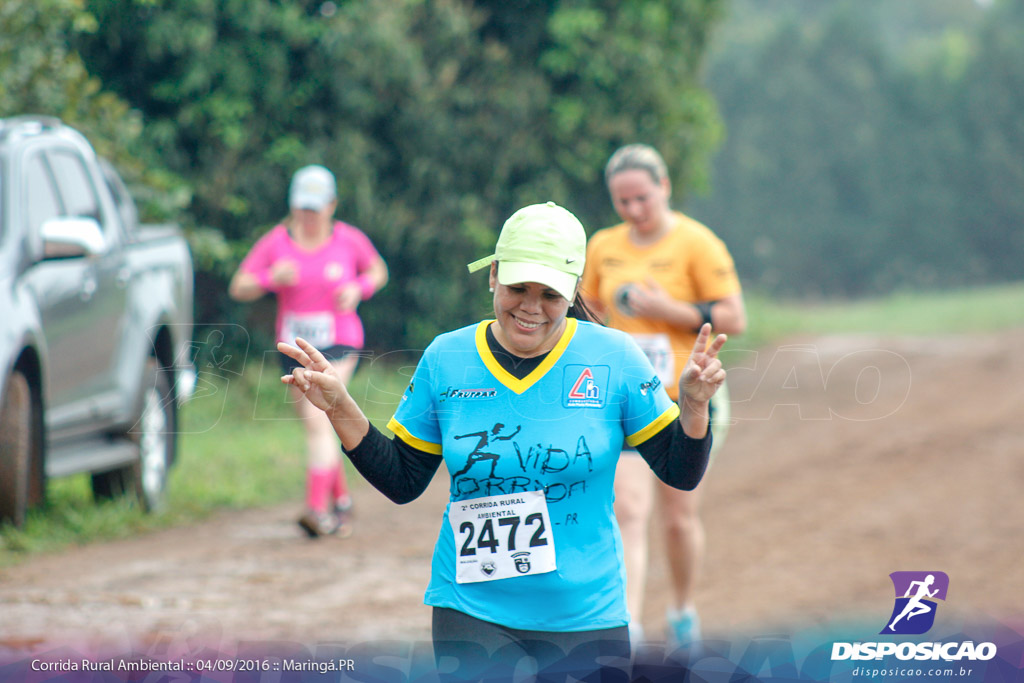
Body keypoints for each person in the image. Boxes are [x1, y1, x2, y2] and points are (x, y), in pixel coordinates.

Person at [277, 201, 729, 677]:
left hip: (588, 615)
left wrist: (695, 407)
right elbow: (402, 479)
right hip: (472, 612)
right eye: (518, 287)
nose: (531, 307)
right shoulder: (447, 358)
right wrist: (339, 406)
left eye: (550, 294)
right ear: (493, 275)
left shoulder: (614, 357)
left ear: (574, 290)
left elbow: (680, 472)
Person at [581, 144, 747, 648]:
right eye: (622, 201)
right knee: (628, 509)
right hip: (625, 400)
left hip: (686, 400)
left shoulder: (699, 243)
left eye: (642, 199)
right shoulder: (603, 245)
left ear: (665, 187)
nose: (633, 210)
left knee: (677, 517)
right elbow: (589, 314)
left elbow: (735, 318)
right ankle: (626, 628)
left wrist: (666, 308)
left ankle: (681, 611)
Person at [229, 164, 388, 539]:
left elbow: (378, 270)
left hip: (340, 341)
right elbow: (239, 285)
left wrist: (358, 289)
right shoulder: (276, 242)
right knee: (318, 424)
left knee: (319, 419)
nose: (309, 216)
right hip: (295, 347)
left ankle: (316, 510)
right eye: (302, 208)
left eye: (315, 209)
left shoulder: (349, 240)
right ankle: (342, 502)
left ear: (331, 205)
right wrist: (271, 278)